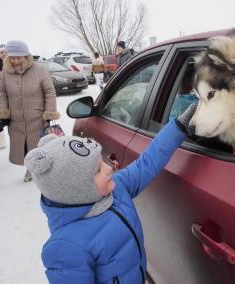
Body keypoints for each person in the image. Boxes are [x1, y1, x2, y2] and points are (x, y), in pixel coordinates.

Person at [24, 103, 197, 284]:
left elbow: (148, 162)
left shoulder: (117, 188)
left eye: (102, 161)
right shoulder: (67, 246)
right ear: (76, 189)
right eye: (98, 170)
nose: (108, 168)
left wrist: (178, 127)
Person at [0, 40, 60, 182]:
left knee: (38, 146)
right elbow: (2, 93)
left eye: (19, 57)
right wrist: (3, 111)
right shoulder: (4, 73)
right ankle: (30, 168)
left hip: (37, 117)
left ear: (26, 55)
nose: (15, 61)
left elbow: (49, 91)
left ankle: (39, 171)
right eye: (12, 57)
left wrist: (50, 111)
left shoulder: (39, 69)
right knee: (23, 147)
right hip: (16, 119)